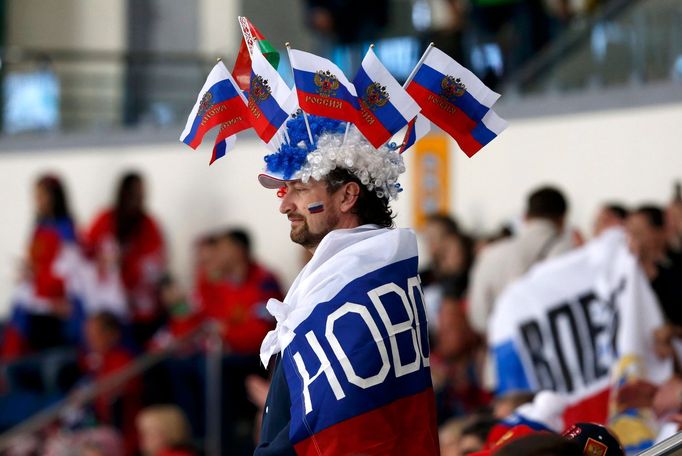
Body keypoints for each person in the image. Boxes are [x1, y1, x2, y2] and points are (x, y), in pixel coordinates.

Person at [253, 114, 439, 454]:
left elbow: (324, 429)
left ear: (347, 196)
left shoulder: (356, 284)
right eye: (285, 189)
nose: (284, 205)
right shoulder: (368, 270)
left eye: (300, 188)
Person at [467, 186, 573, 335]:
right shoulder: (569, 254)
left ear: (525, 217)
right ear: (563, 220)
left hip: (502, 350)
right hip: (551, 350)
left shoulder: (490, 254)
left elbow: (478, 318)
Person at [85, 172, 166, 349]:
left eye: (142, 193)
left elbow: (156, 264)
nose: (138, 198)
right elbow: (86, 253)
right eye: (134, 192)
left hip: (139, 310)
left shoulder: (149, 225)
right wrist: (105, 260)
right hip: (106, 307)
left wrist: (129, 264)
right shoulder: (105, 219)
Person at [2, 174, 79, 359]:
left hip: (53, 306)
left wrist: (40, 276)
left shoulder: (65, 229)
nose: (37, 201)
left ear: (54, 197)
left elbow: (69, 270)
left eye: (41, 196)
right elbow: (35, 258)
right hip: (35, 300)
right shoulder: (39, 226)